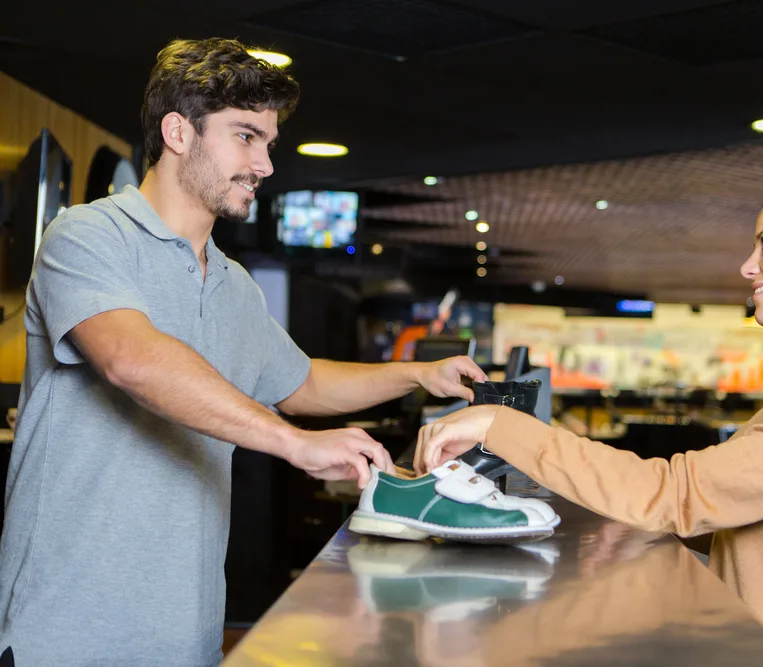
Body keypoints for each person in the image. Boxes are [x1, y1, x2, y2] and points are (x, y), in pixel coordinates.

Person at [0, 38, 486, 666]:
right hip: (67, 631)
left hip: (188, 630)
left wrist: (418, 372)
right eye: (245, 136)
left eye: (268, 143)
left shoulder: (232, 283)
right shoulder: (89, 236)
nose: (266, 165)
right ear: (178, 132)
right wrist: (295, 443)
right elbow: (133, 360)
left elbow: (301, 381)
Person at [416, 169, 763, 667]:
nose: (749, 265)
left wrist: (499, 425)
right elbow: (762, 519)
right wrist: (650, 528)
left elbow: (680, 494)